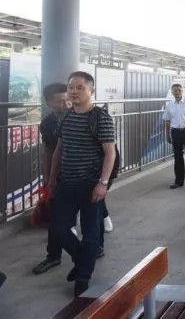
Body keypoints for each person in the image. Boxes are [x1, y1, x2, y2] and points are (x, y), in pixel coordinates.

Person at [49, 71, 116, 296]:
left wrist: (102, 183)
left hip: (91, 184)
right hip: (66, 183)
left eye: (80, 87)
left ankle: (83, 278)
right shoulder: (66, 117)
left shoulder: (100, 118)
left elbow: (110, 153)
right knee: (58, 228)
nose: (74, 91)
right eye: (71, 87)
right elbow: (59, 149)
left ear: (91, 91)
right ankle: (81, 261)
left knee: (90, 233)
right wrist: (51, 178)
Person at [32, 83, 71, 275]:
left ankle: (95, 249)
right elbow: (49, 151)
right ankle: (53, 256)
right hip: (60, 174)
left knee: (92, 216)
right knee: (57, 219)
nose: (66, 104)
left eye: (67, 100)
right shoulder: (47, 124)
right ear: (48, 103)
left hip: (86, 175)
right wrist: (48, 177)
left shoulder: (80, 115)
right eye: (60, 101)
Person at [163, 84, 185, 189]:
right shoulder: (169, 105)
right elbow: (167, 121)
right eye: (175, 90)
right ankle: (179, 181)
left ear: (182, 91)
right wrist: (167, 134)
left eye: (179, 90)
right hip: (175, 132)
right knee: (178, 157)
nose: (177, 92)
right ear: (172, 92)